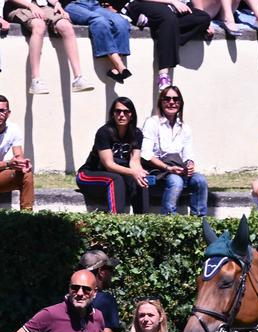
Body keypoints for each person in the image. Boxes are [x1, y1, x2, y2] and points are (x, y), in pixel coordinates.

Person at [141, 86, 209, 217]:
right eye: (167, 99)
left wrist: (189, 164)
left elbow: (188, 153)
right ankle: (169, 219)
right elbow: (146, 154)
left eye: (175, 99)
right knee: (175, 181)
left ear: (180, 103)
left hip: (178, 169)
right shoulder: (152, 123)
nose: (171, 102)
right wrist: (167, 167)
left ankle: (200, 220)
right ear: (161, 102)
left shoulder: (184, 127)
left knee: (200, 180)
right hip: (159, 171)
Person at [4, 0, 95, 95]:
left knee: (66, 26)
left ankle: (78, 78)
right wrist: (31, 5)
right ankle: (36, 80)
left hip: (41, 5)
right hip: (17, 6)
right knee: (39, 25)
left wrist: (57, 4)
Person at [76, 97, 150, 214]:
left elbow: (134, 162)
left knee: (141, 180)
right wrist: (133, 172)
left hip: (115, 177)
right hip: (89, 175)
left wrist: (140, 173)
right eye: (118, 111)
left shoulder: (137, 134)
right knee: (116, 179)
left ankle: (143, 222)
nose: (121, 115)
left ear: (131, 114)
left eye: (126, 112)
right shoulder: (104, 132)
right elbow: (109, 165)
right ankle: (117, 223)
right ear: (113, 114)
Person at [124, 0, 212, 91]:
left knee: (203, 18)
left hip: (170, 10)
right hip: (142, 4)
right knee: (168, 18)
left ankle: (152, 22)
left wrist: (206, 26)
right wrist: (173, 2)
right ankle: (163, 75)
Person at [63, 0, 132, 83]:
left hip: (94, 4)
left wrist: (114, 6)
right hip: (73, 5)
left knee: (121, 22)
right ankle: (120, 65)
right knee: (100, 21)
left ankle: (114, 70)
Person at [0, 95, 34, 211]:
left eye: (2, 110)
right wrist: (9, 164)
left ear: (8, 113)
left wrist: (22, 164)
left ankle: (26, 218)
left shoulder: (13, 129)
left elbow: (19, 157)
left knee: (26, 174)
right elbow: (9, 164)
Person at [79, 249, 123, 332]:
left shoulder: (70, 298)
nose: (111, 274)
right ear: (101, 272)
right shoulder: (106, 301)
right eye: (111, 270)